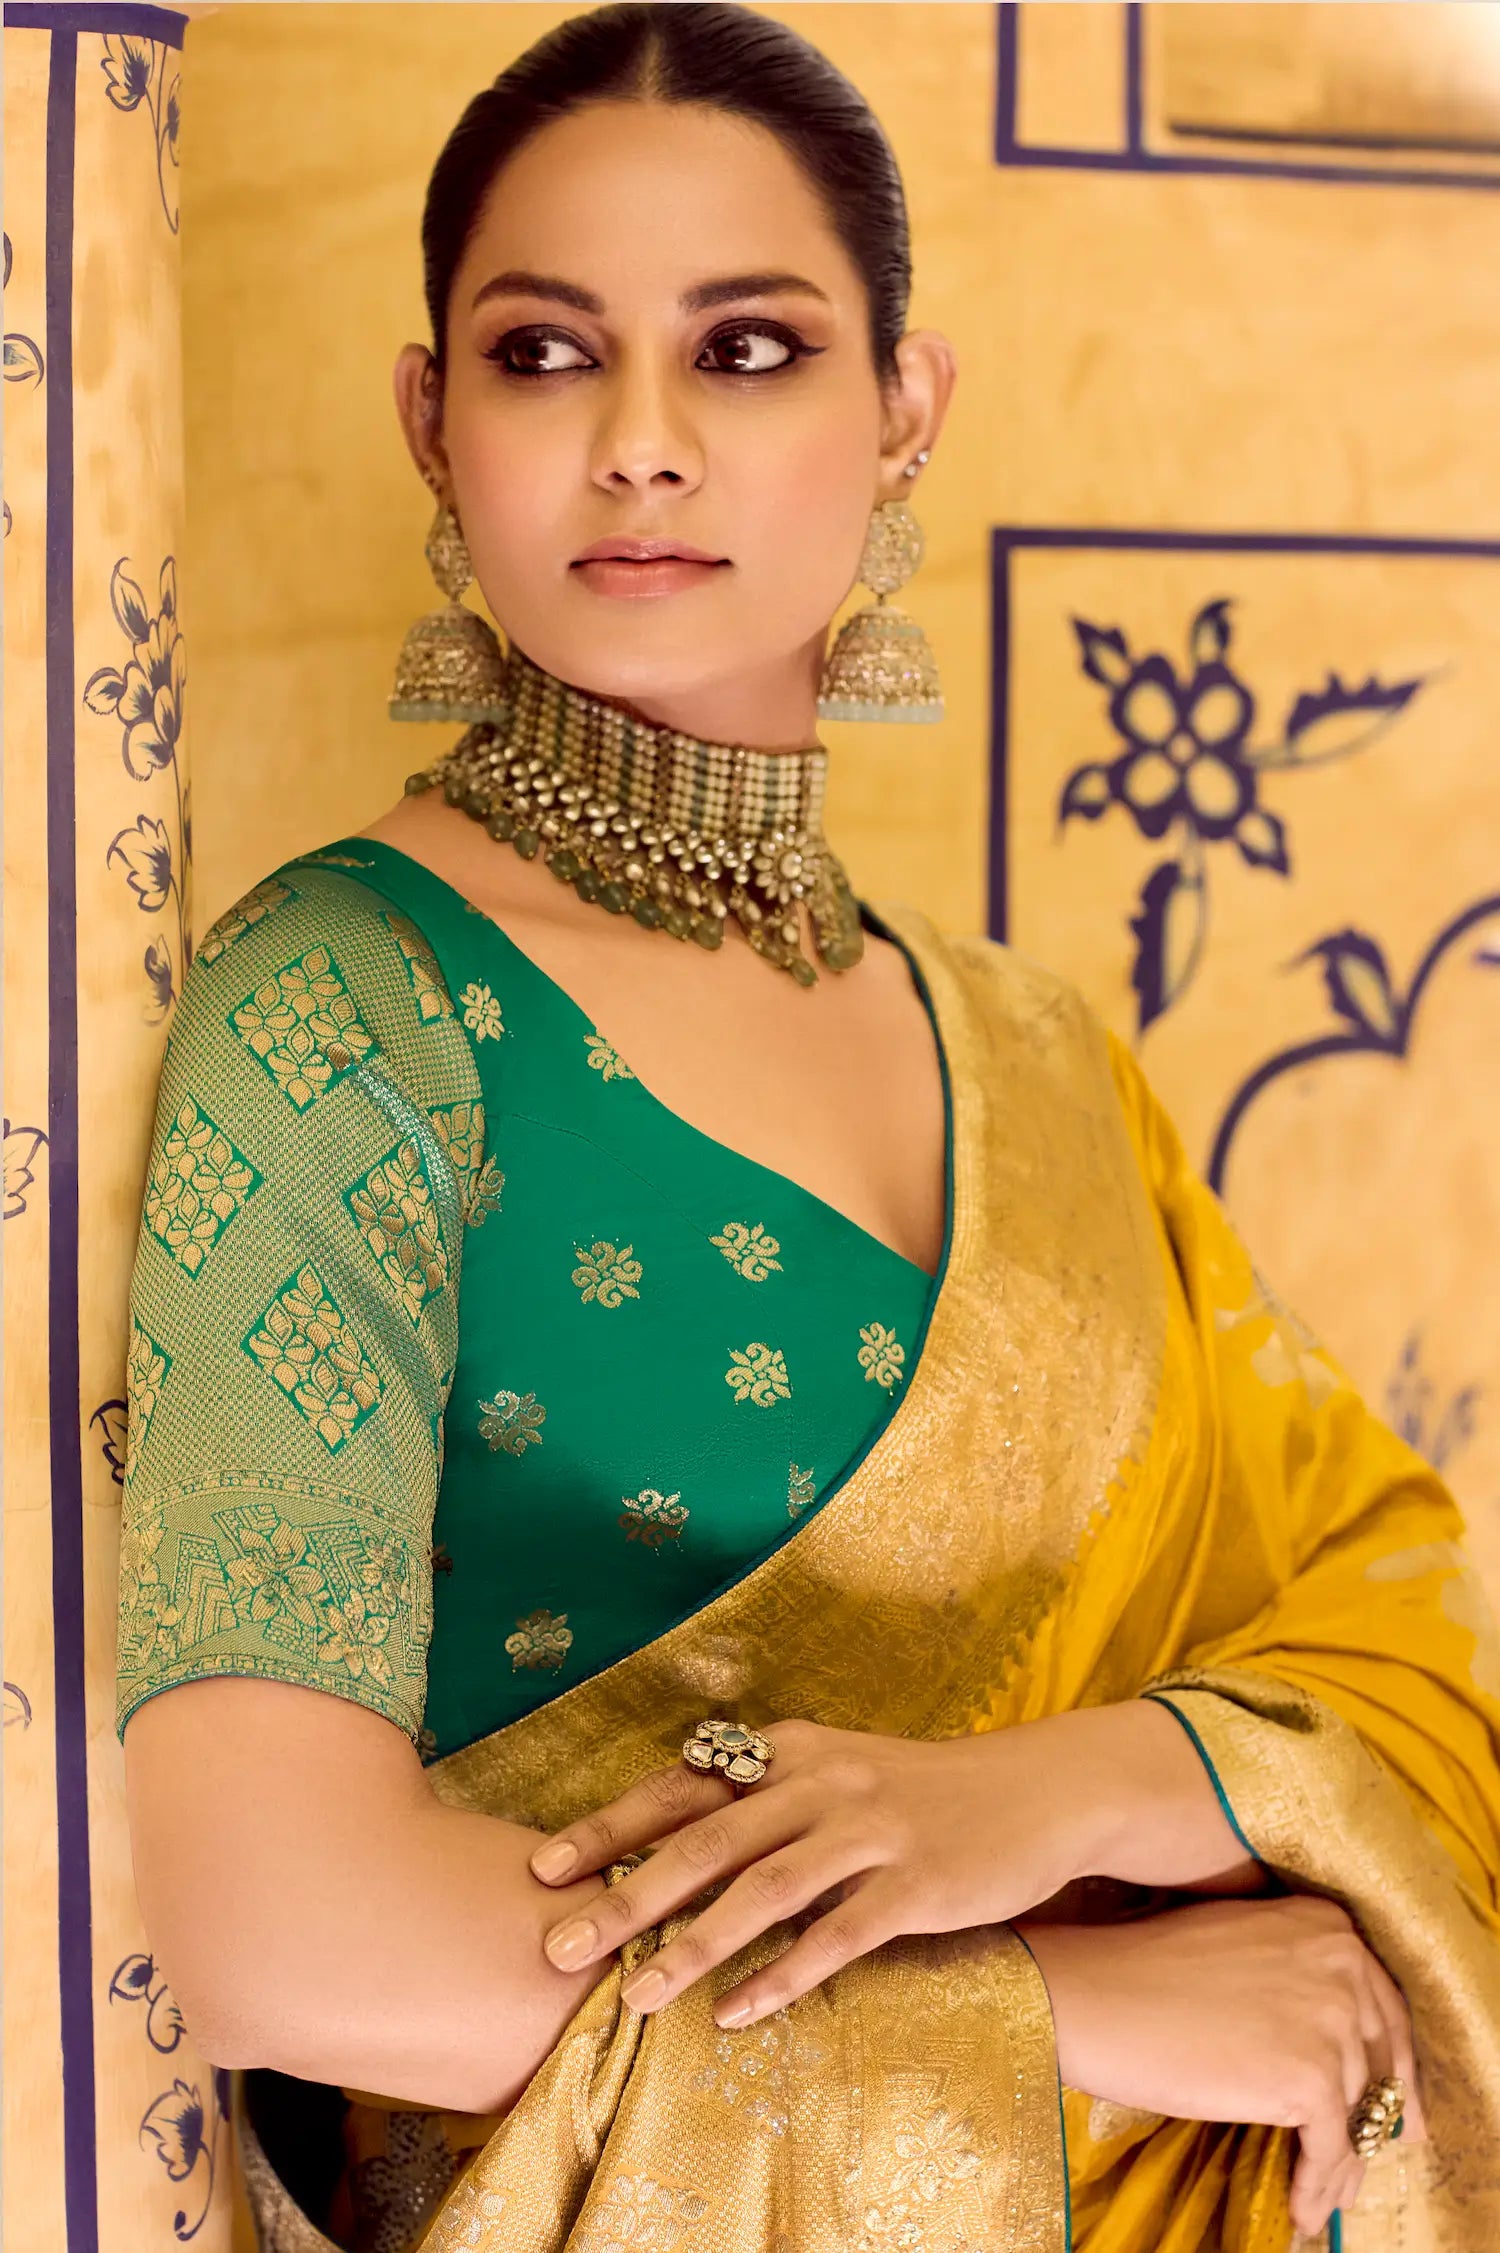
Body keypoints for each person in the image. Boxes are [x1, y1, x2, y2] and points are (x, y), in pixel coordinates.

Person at [115, 8, 1500, 2250]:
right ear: (432, 421)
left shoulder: (1039, 1051)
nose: (643, 446)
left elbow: (1383, 1629)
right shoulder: (344, 1010)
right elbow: (291, 1938)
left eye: (746, 349)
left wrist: (1049, 1797)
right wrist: (1061, 2007)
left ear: (904, 408)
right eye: (546, 354)